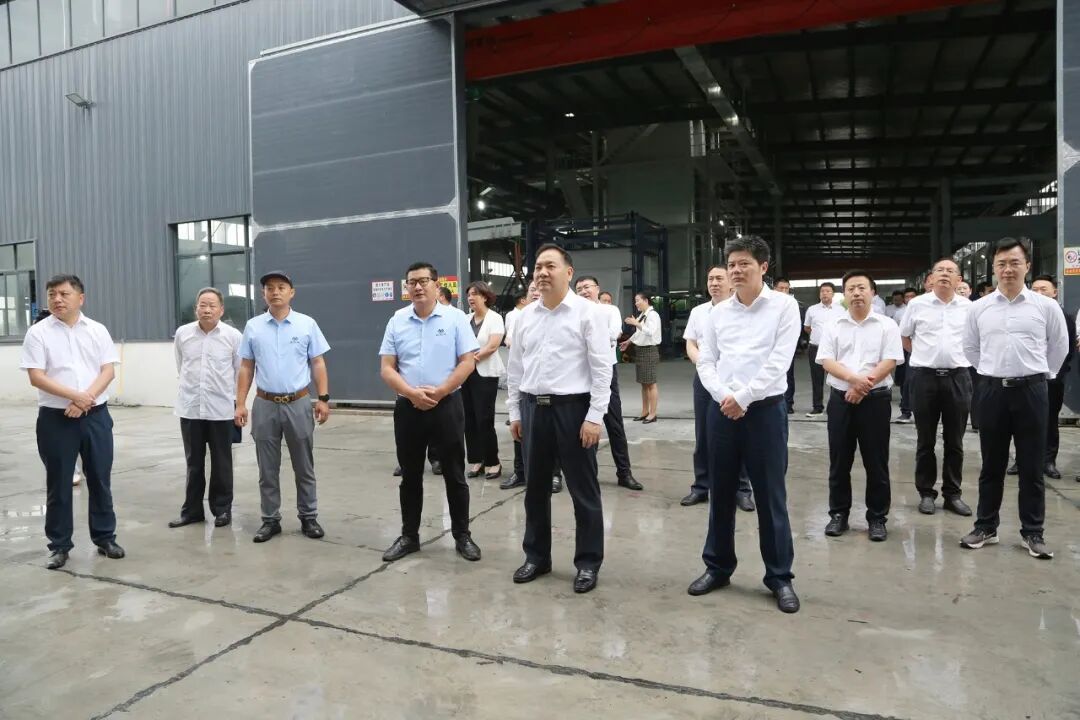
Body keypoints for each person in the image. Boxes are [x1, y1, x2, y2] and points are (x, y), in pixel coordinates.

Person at [688, 236, 801, 614]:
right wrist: (726, 397)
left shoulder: (784, 306)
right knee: (720, 492)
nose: (736, 270)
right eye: (731, 264)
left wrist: (745, 398)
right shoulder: (717, 313)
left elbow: (780, 361)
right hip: (723, 410)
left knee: (770, 496)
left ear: (763, 267)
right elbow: (706, 361)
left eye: (744, 264)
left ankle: (779, 577)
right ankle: (717, 567)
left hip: (765, 412)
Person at [507, 243, 612, 594]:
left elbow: (602, 369)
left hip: (574, 410)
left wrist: (595, 416)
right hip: (533, 409)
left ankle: (588, 562)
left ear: (568, 272)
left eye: (550, 266)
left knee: (584, 491)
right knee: (535, 489)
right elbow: (516, 368)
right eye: (538, 266)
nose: (542, 272)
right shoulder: (525, 317)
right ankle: (537, 557)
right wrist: (514, 412)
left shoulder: (588, 313)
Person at [961, 238, 1068, 559]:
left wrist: (1039, 376)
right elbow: (971, 349)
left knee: (1032, 466)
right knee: (991, 464)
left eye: (1014, 263)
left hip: (1032, 391)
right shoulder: (979, 308)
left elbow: (1059, 346)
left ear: (1027, 266)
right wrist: (993, 373)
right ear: (994, 268)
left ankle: (1032, 532)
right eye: (1002, 264)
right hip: (992, 391)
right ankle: (986, 526)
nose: (1008, 269)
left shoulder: (1045, 307)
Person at [378, 262, 482, 563]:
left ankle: (462, 535)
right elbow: (387, 368)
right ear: (406, 287)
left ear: (437, 285)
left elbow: (467, 362)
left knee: (455, 474)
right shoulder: (397, 320)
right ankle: (409, 536)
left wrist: (441, 391)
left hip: (446, 405)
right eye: (412, 282)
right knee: (410, 475)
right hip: (408, 407)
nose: (418, 287)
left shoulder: (455, 319)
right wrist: (412, 393)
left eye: (424, 281)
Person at [20, 274, 124, 570]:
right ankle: (59, 545)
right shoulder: (38, 333)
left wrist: (85, 400)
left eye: (64, 294)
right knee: (59, 482)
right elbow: (36, 376)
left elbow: (108, 371)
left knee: (100, 479)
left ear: (81, 297)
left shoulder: (97, 330)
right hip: (56, 419)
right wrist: (75, 397)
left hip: (95, 416)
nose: (57, 299)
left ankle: (105, 537)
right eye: (52, 294)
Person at [235, 271, 331, 543]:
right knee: (267, 468)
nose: (275, 292)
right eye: (269, 288)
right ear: (263, 294)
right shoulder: (253, 327)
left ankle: (308, 516)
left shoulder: (306, 324)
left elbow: (318, 363)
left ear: (292, 292)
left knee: (304, 465)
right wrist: (240, 403)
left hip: (298, 403)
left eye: (281, 287)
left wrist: (323, 398)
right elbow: (246, 367)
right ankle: (270, 520)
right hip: (265, 404)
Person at [816, 270, 903, 542]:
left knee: (876, 461)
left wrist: (863, 387)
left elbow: (890, 360)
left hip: (875, 401)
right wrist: (855, 382)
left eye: (861, 287)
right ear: (844, 294)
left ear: (872, 293)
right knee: (839, 460)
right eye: (851, 288)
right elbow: (826, 360)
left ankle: (877, 518)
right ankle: (838, 514)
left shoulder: (887, 325)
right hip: (840, 400)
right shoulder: (833, 325)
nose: (856, 293)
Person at [898, 258, 974, 517]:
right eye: (939, 270)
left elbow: (976, 340)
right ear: (930, 278)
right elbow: (905, 336)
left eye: (950, 271)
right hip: (925, 378)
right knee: (925, 440)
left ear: (958, 279)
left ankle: (953, 494)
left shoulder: (969, 308)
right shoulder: (917, 305)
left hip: (958, 377)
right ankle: (926, 493)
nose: (944, 274)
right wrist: (924, 355)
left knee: (955, 441)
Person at [681, 265, 754, 510]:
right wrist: (704, 365)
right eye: (710, 279)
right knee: (703, 434)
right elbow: (691, 343)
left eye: (719, 278)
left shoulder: (742, 310)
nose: (714, 283)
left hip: (734, 380)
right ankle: (701, 487)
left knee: (739, 433)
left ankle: (742, 490)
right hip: (705, 379)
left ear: (730, 283)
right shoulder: (698, 312)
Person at [169, 288, 243, 529]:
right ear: (196, 309)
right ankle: (192, 511)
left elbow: (239, 371)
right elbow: (181, 366)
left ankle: (222, 510)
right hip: (190, 408)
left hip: (221, 409)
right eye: (203, 305)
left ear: (221, 309)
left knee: (222, 462)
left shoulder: (233, 336)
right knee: (194, 462)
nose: (207, 310)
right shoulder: (183, 334)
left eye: (212, 305)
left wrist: (239, 404)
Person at [575, 275, 643, 491]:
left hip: (606, 370)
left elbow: (614, 334)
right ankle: (586, 474)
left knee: (614, 424)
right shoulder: (573, 313)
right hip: (579, 373)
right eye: (579, 289)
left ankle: (624, 473)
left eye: (587, 287)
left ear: (597, 289)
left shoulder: (609, 310)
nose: (583, 291)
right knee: (581, 425)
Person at [1027, 275, 1076, 480]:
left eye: (1044, 289)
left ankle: (1048, 461)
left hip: (1052, 378)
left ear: (1054, 292)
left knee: (1049, 420)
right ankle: (1022, 460)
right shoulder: (1025, 314)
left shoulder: (1062, 315)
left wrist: (1055, 372)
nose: (1039, 293)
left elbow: (1068, 347)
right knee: (1024, 421)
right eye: (1035, 290)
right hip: (1027, 378)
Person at [463, 281, 505, 480]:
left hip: (485, 374)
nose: (471, 298)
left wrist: (471, 359)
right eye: (469, 294)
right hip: (465, 374)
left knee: (484, 418)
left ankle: (492, 461)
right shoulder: (465, 319)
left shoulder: (495, 318)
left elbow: (492, 346)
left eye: (475, 294)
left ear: (485, 296)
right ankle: (476, 460)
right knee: (468, 418)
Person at [501, 282, 535, 491]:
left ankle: (554, 474)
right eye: (533, 290)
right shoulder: (521, 318)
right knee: (519, 432)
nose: (537, 293)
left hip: (550, 391)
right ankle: (520, 472)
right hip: (524, 388)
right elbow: (514, 365)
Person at [803, 282, 844, 417]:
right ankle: (817, 407)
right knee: (817, 379)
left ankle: (835, 406)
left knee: (835, 378)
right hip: (815, 348)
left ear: (833, 294)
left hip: (834, 349)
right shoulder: (812, 309)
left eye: (827, 291)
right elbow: (807, 327)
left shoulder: (841, 310)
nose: (824, 293)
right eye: (822, 291)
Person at [620, 292, 661, 423]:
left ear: (646, 300)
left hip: (649, 350)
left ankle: (652, 414)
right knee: (644, 384)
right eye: (635, 300)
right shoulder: (643, 315)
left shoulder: (653, 315)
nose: (636, 303)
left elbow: (650, 332)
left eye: (638, 300)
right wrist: (628, 342)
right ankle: (645, 411)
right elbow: (639, 333)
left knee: (651, 383)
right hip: (641, 350)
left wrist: (636, 323)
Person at [891, 287, 919, 423]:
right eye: (907, 297)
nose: (909, 299)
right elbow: (898, 333)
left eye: (912, 296)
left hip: (924, 351)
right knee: (906, 380)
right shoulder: (899, 313)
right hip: (906, 349)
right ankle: (906, 411)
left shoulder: (923, 309)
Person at [773, 277, 798, 414]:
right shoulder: (767, 305)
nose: (783, 291)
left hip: (786, 347)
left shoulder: (792, 305)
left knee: (788, 375)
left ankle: (788, 403)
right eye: (780, 288)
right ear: (774, 289)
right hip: (769, 347)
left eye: (786, 289)